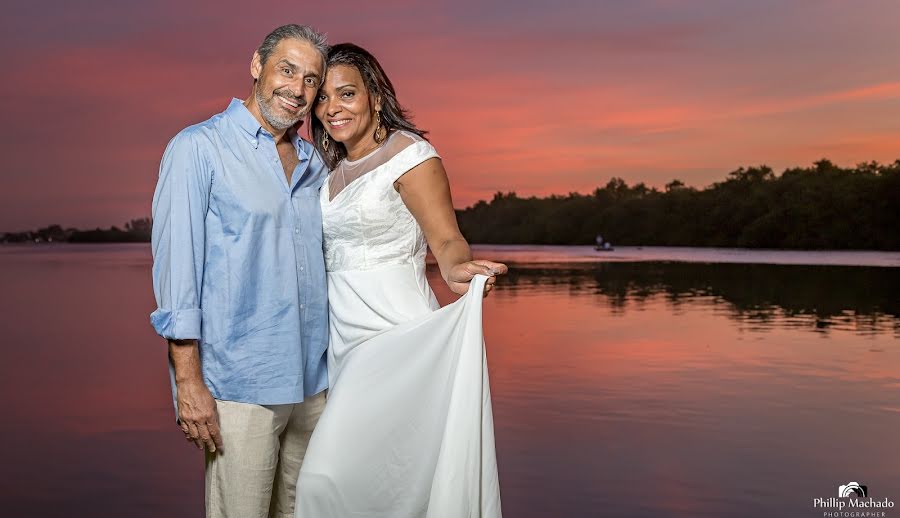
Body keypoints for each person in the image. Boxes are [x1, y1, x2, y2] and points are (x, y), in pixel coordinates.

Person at [293, 43, 506, 517]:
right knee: (371, 485)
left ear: (374, 94)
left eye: (346, 94)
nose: (332, 108)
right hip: (344, 344)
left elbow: (447, 240)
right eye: (322, 99)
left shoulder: (409, 154)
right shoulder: (331, 174)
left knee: (322, 479)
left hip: (396, 337)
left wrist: (457, 273)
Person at [150, 25, 331, 518]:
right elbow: (177, 280)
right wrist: (188, 385)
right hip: (240, 385)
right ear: (257, 65)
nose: (297, 89)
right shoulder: (198, 149)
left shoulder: (316, 163)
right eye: (287, 70)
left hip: (316, 384)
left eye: (311, 79)